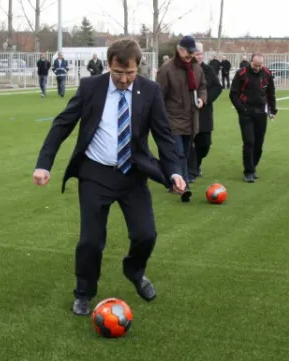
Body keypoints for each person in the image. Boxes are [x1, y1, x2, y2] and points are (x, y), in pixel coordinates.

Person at [32, 38, 187, 316]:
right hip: (95, 174)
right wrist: (44, 164)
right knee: (90, 241)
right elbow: (62, 124)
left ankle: (134, 270)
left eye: (130, 73)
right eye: (118, 72)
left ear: (138, 67)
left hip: (133, 175)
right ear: (108, 65)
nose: (124, 79)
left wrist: (175, 171)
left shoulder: (150, 91)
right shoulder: (91, 87)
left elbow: (164, 136)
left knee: (146, 235)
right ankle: (84, 292)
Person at [155, 35, 207, 201]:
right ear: (179, 49)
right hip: (173, 119)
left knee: (185, 153)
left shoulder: (197, 68)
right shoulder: (167, 69)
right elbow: (158, 95)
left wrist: (202, 99)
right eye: (188, 52)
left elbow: (202, 87)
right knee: (178, 154)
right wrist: (161, 119)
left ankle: (172, 180)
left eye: (192, 52)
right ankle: (184, 188)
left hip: (192, 119)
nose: (190, 55)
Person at [229, 53, 277, 183]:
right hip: (246, 113)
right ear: (251, 62)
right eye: (256, 65)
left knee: (259, 144)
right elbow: (233, 94)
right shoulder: (241, 73)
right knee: (249, 142)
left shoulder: (267, 73)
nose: (258, 68)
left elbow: (271, 93)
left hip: (261, 113)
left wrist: (272, 110)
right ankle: (248, 171)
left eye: (260, 65)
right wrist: (241, 109)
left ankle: (253, 166)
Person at [187, 42, 222, 182]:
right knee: (188, 143)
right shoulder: (186, 70)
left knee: (205, 144)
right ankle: (191, 171)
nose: (199, 56)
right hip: (188, 113)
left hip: (204, 112)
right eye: (197, 54)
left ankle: (196, 164)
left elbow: (217, 87)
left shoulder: (209, 70)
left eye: (201, 54)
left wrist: (205, 99)